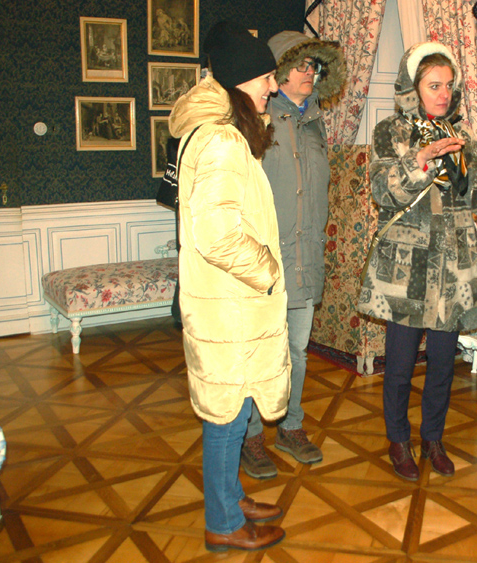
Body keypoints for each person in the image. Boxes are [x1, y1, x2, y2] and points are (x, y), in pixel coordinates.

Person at [357, 42, 477, 482]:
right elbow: (382, 193)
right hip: (406, 269)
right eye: (434, 85)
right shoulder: (391, 132)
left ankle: (433, 438)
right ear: (413, 88)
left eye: (448, 85)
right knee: (400, 366)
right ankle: (398, 440)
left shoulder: (462, 138)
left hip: (453, 271)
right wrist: (420, 159)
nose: (443, 94)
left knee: (444, 365)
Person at [167, 21, 290, 552]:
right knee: (227, 417)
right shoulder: (220, 140)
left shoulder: (219, 132)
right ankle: (222, 523)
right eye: (267, 78)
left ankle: (231, 497)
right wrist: (267, 270)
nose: (273, 88)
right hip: (231, 308)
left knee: (233, 412)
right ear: (242, 80)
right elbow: (216, 235)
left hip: (228, 305)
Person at [239, 30, 346, 480]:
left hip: (306, 258)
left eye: (315, 67)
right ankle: (250, 437)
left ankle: (290, 425)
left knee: (297, 351)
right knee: (259, 351)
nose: (310, 73)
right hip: (266, 261)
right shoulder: (257, 119)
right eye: (301, 65)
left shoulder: (316, 123)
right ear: (279, 70)